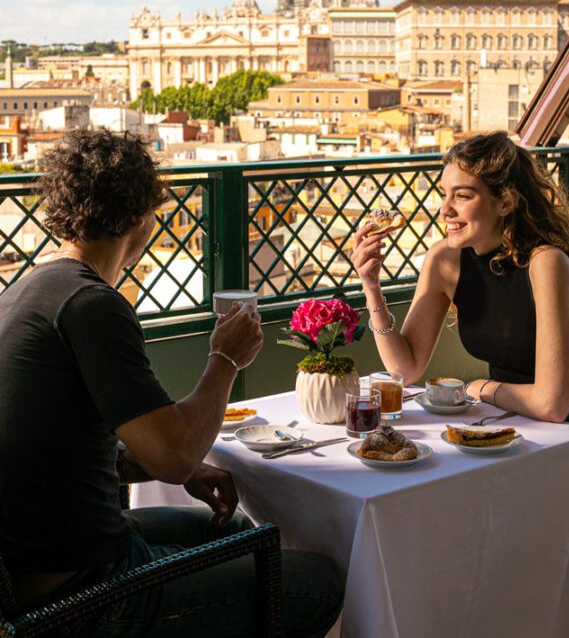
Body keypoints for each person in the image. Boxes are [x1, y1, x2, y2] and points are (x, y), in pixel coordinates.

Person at [0, 129, 343, 636]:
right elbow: (174, 455)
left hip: (31, 567)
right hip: (76, 591)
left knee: (230, 526)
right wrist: (225, 359)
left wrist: (178, 469)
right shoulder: (92, 305)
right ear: (141, 217)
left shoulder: (29, 289)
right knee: (317, 581)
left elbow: (63, 445)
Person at [352, 131, 569, 428]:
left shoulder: (546, 263)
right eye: (444, 194)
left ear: (505, 202)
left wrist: (481, 388)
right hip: (505, 418)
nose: (445, 209)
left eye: (462, 196)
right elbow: (404, 370)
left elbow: (553, 406)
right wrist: (371, 286)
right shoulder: (444, 260)